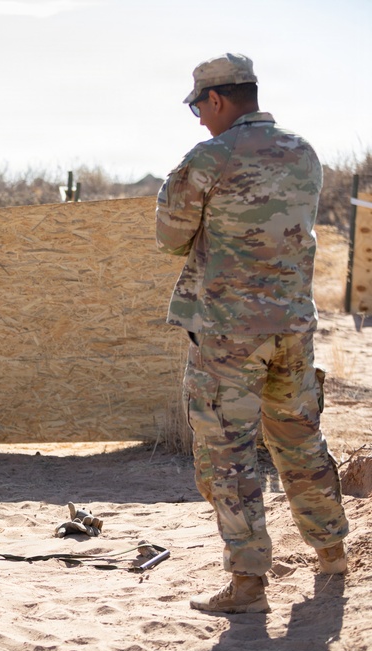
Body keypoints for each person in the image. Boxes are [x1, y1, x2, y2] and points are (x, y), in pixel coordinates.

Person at [156, 53, 349, 614]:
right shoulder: (303, 152)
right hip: (293, 325)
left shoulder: (210, 157)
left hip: (227, 334)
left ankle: (247, 585)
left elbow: (170, 237)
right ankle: (332, 552)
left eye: (198, 106)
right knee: (300, 438)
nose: (197, 117)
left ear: (217, 99)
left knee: (229, 454)